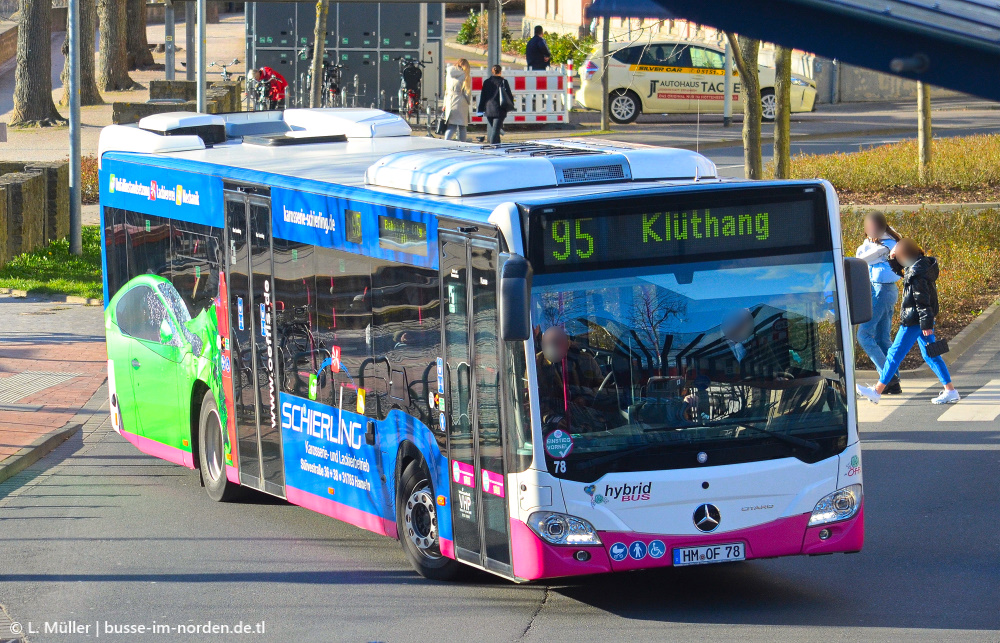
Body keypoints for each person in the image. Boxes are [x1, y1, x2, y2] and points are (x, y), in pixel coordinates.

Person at [857, 239, 960, 405]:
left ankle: (876, 392)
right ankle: (950, 390)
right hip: (921, 320)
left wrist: (926, 324)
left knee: (894, 355)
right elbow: (901, 270)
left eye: (897, 255)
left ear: (904, 256)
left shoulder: (916, 274)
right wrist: (892, 258)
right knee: (931, 355)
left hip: (914, 321)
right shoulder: (921, 265)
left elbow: (922, 300)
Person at [855, 213, 904, 394]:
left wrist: (867, 248)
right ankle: (894, 383)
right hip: (883, 290)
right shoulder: (886, 241)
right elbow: (861, 252)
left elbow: (860, 259)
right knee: (883, 339)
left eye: (870, 227)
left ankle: (889, 378)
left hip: (881, 291)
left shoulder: (886, 246)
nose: (867, 231)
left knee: (864, 336)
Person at [477, 65, 514, 144]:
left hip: (489, 110)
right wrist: (511, 106)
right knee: (495, 131)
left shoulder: (487, 82)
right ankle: (493, 147)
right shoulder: (503, 82)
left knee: (495, 130)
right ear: (500, 71)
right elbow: (509, 95)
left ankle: (498, 146)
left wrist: (480, 110)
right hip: (500, 110)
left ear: (492, 72)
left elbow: (483, 97)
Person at [443, 58, 471, 141]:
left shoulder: (449, 73)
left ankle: (446, 142)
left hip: (449, 100)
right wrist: (468, 101)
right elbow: (467, 91)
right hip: (460, 101)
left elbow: (446, 90)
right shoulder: (465, 75)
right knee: (462, 127)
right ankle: (462, 144)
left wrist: (445, 103)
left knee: (451, 125)